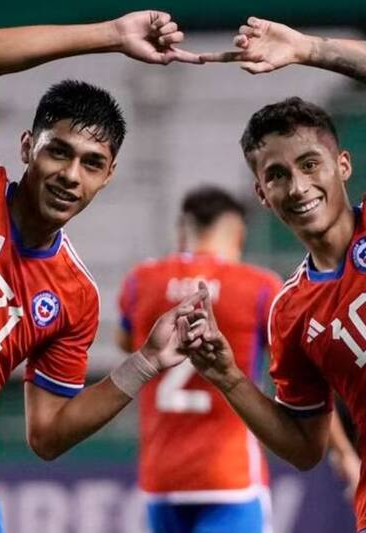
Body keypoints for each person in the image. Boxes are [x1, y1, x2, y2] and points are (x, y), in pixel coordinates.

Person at [0, 11, 207, 532]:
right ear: (27, 148)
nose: (71, 175)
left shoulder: (76, 296)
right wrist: (111, 37)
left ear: (108, 176)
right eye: (58, 152)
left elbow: (46, 435)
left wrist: (148, 360)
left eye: (92, 163)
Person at [180, 17, 366, 533]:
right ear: (261, 195)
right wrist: (228, 377)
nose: (299, 185)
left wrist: (310, 49)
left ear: (343, 165)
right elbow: (304, 447)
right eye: (277, 175)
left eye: (311, 164)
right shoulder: (290, 312)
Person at [118, 186, 283, 533]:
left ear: (182, 231)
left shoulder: (141, 281)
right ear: (238, 234)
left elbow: (125, 344)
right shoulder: (259, 286)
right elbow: (289, 364)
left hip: (162, 475)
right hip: (231, 476)